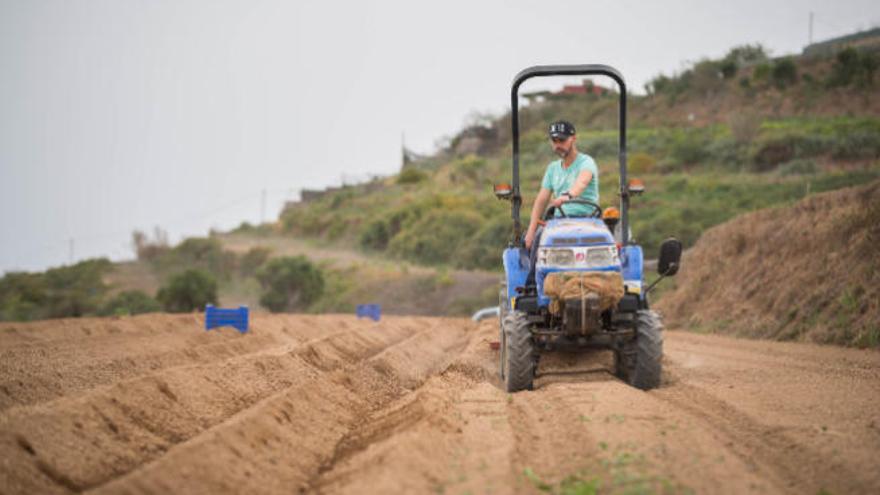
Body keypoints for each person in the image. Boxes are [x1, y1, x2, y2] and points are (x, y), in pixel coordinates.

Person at [524, 120, 600, 282]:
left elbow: (582, 181)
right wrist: (532, 229)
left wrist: (568, 195)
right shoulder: (552, 169)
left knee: (611, 241)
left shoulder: (586, 162)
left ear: (573, 139)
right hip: (558, 221)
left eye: (562, 140)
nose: (558, 145)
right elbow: (541, 200)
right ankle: (533, 285)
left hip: (587, 219)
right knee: (535, 239)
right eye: (554, 141)